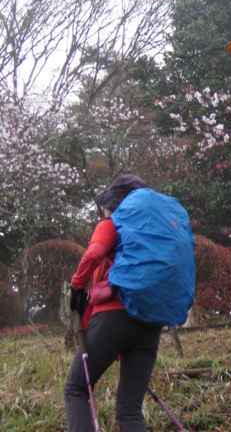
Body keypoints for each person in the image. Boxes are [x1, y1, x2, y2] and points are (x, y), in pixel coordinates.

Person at [64, 174, 159, 432]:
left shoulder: (113, 223)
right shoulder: (154, 233)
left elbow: (94, 253)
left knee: (76, 389)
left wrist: (76, 286)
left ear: (114, 205)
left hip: (113, 317)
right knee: (130, 411)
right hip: (150, 324)